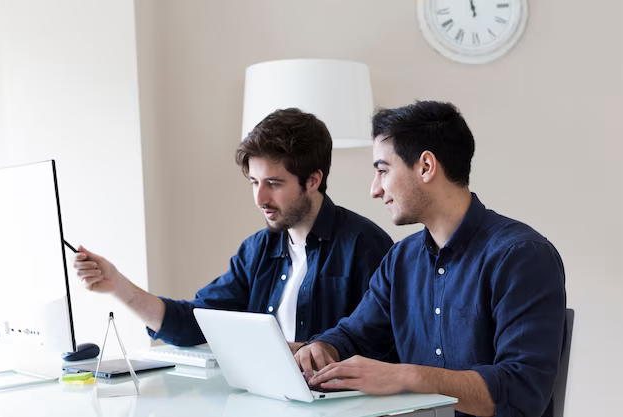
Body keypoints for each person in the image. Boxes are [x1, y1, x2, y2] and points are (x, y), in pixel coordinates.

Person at [295, 101, 566, 417]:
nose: (375, 189)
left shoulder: (521, 256)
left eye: (383, 170)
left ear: (426, 166)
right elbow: (355, 335)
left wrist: (407, 377)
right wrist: (321, 348)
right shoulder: (401, 259)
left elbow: (522, 390)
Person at [73, 108, 394, 352]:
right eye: (254, 182)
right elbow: (195, 322)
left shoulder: (367, 245)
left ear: (312, 180)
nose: (259, 198)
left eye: (273, 184)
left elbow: (381, 346)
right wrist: (117, 285)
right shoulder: (256, 251)